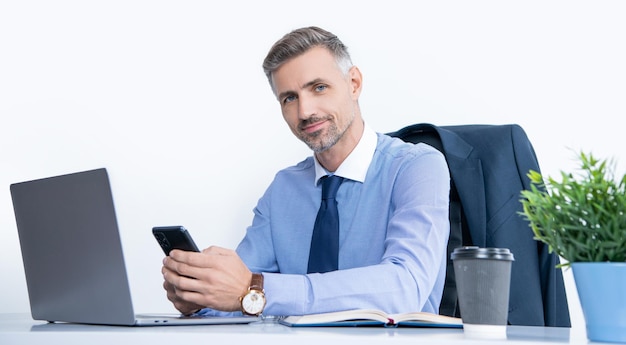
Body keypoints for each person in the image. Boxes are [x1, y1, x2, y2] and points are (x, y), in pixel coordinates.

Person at [161, 26, 450, 317]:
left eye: (319, 88)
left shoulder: (417, 167)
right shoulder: (284, 189)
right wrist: (201, 298)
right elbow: (237, 297)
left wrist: (257, 288)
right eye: (289, 98)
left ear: (354, 83)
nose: (305, 111)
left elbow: (405, 289)